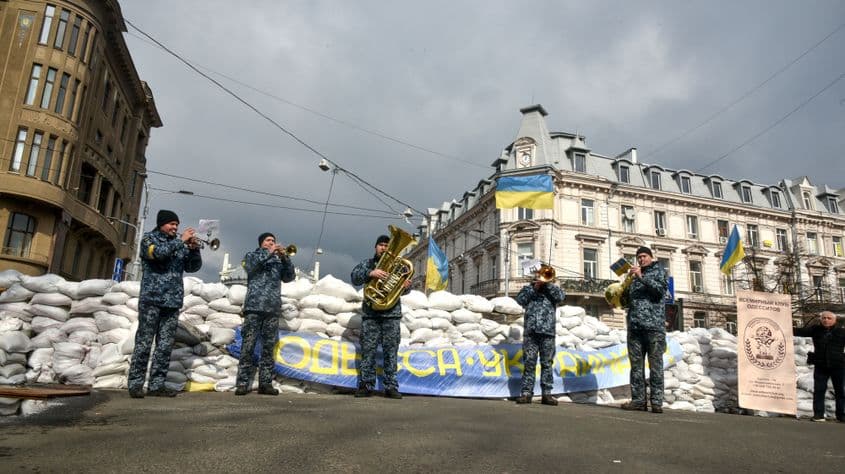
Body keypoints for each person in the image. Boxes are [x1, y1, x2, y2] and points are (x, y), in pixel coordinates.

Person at [128, 210, 202, 398]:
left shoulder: (180, 245)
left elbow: (193, 267)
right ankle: (136, 384)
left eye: (177, 224)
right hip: (152, 299)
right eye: (171, 224)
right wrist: (181, 241)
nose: (175, 228)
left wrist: (194, 250)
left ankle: (156, 385)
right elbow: (158, 255)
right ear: (161, 224)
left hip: (172, 301)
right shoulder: (149, 239)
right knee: (144, 342)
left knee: (165, 345)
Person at [234, 232, 296, 396]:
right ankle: (242, 383)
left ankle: (265, 384)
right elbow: (250, 267)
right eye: (269, 241)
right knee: (248, 346)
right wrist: (269, 253)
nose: (272, 243)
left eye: (274, 241)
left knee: (269, 348)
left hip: (272, 309)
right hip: (254, 307)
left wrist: (285, 258)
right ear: (262, 243)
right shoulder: (252, 255)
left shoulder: (278, 260)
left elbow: (290, 277)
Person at [350, 234, 410, 399]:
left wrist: (404, 286)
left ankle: (390, 386)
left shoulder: (397, 265)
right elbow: (354, 277)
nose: (383, 248)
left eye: (386, 245)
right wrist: (371, 273)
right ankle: (366, 385)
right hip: (371, 315)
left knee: (391, 351)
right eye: (381, 245)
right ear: (375, 247)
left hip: (391, 314)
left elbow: (404, 288)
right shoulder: (367, 264)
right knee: (368, 351)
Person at [621, 246, 668, 413]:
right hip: (635, 328)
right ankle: (638, 400)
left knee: (655, 365)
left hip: (654, 327)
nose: (641, 259)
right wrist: (622, 290)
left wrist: (641, 277)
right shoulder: (634, 277)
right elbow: (627, 301)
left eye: (644, 256)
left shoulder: (659, 271)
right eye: (639, 257)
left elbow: (659, 291)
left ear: (650, 257)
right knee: (636, 367)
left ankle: (656, 402)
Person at [515, 265, 566, 405]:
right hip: (531, 332)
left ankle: (547, 394)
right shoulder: (528, 288)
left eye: (543, 274)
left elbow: (561, 297)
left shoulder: (552, 289)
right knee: (529, 363)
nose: (541, 276)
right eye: (539, 274)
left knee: (547, 363)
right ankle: (526, 393)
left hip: (548, 333)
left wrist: (548, 285)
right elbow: (520, 300)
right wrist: (535, 287)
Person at [793, 311, 845, 422]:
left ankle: (841, 415)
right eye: (824, 318)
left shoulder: (841, 332)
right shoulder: (815, 330)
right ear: (821, 320)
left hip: (838, 365)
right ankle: (818, 415)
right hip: (821, 365)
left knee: (840, 391)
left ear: (835, 320)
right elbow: (799, 331)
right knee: (819, 390)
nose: (826, 320)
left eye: (829, 318)